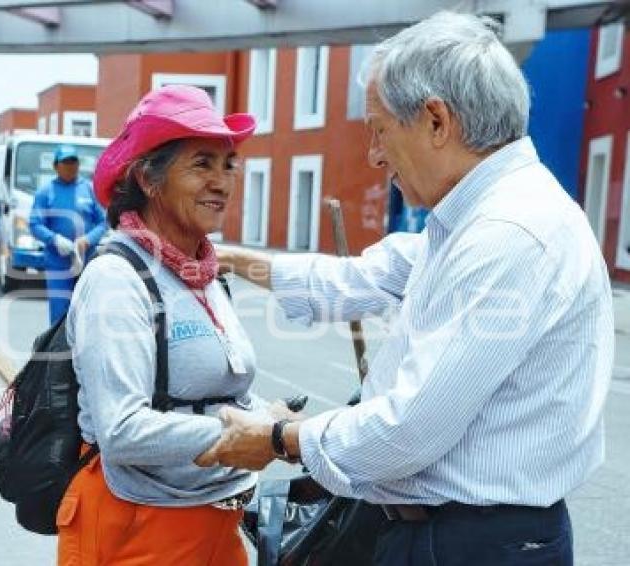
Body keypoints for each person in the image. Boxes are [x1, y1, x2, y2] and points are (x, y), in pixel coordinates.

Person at [203, 12, 613, 566]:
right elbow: (359, 278)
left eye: (380, 128)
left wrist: (279, 439)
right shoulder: (476, 220)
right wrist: (226, 258)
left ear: (437, 121)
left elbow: (407, 430)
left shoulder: (508, 235)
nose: (374, 153)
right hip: (450, 532)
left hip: (473, 544)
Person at [57, 84, 267, 565]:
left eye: (227, 164)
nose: (222, 181)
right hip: (137, 526)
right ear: (149, 180)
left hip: (219, 524)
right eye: (201, 164)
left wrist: (269, 419)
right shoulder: (117, 278)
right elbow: (122, 430)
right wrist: (247, 436)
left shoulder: (203, 272)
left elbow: (222, 392)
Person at [29, 145, 106, 326]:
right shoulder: (45, 192)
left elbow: (103, 222)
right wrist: (54, 239)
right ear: (56, 166)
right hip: (58, 262)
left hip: (86, 261)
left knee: (87, 311)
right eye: (66, 162)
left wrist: (88, 239)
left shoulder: (89, 189)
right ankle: (59, 352)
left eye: (74, 161)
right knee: (60, 312)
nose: (71, 166)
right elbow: (34, 224)